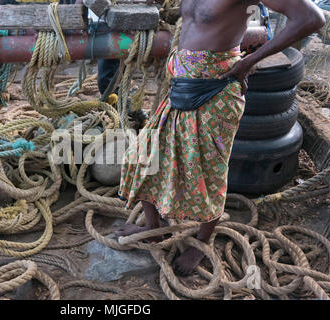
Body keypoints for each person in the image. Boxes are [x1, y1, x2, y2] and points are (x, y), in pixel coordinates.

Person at [117, 0, 325, 276]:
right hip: (181, 84)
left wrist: (249, 61)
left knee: (207, 170)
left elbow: (312, 18)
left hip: (217, 89)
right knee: (146, 153)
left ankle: (203, 241)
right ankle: (153, 227)